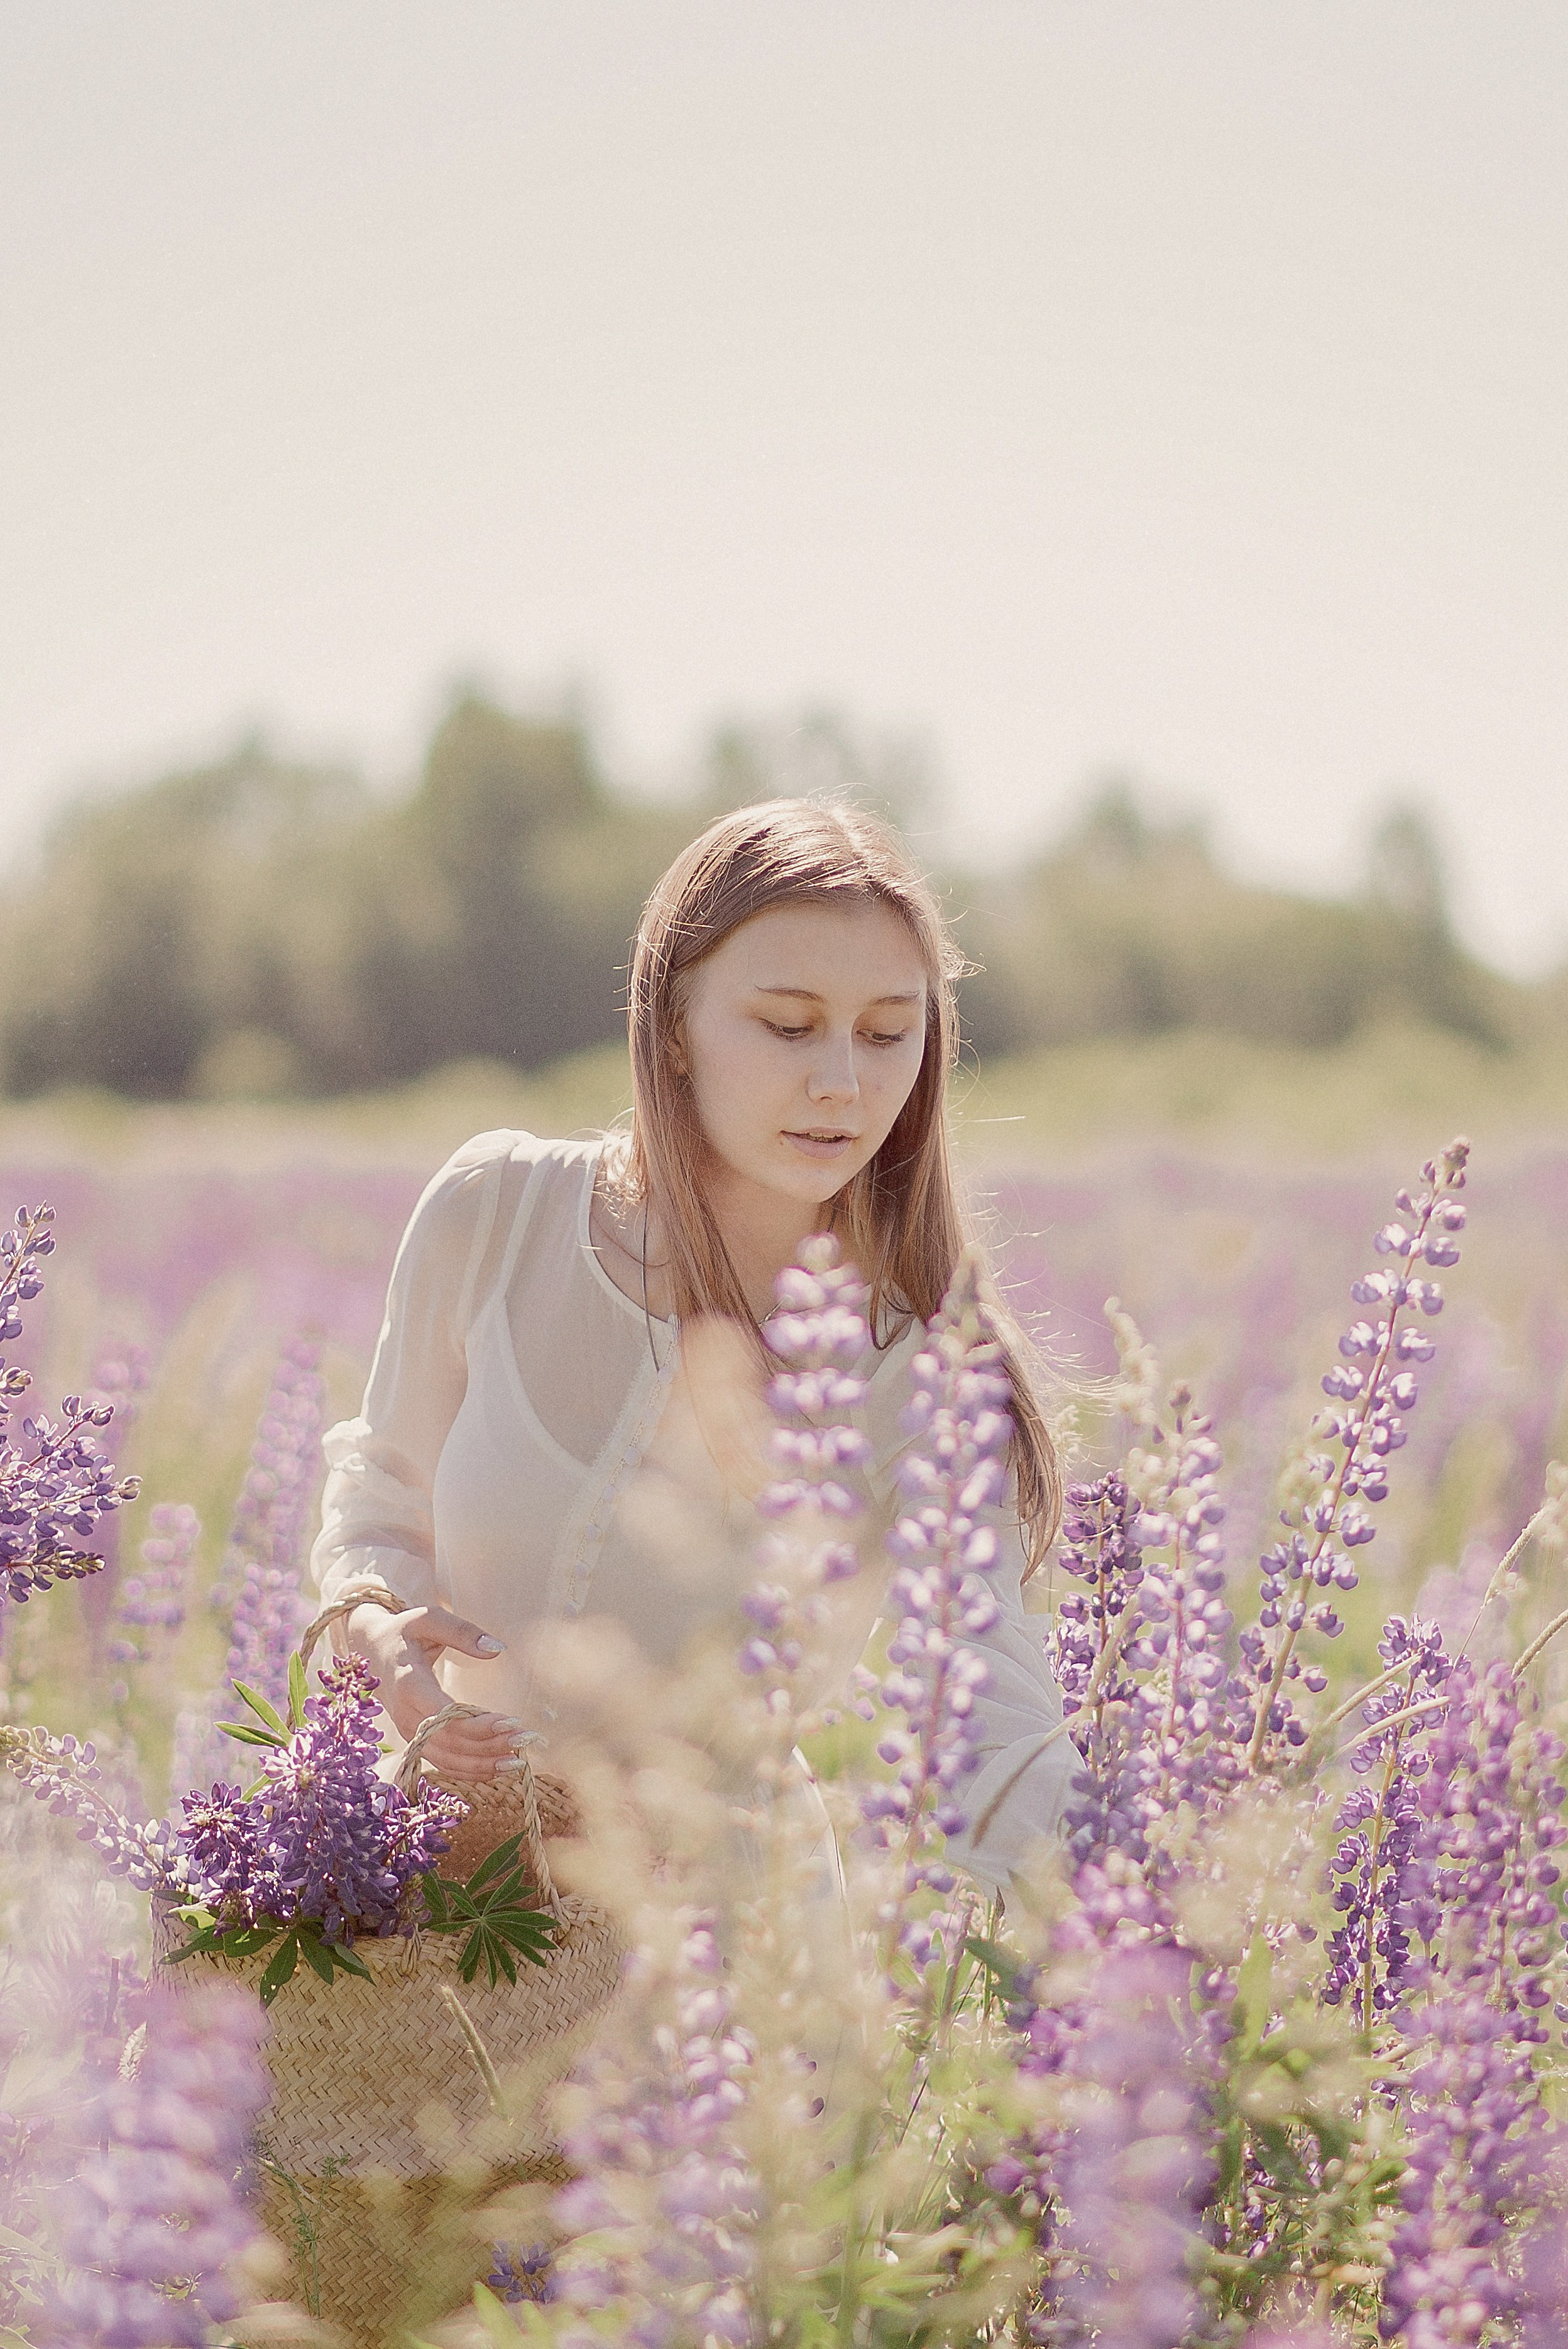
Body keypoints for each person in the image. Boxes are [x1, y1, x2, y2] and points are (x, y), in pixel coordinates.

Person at [310, 799, 1071, 1890]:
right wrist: (372, 1623)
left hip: (733, 1953)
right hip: (443, 1896)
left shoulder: (923, 1362)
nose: (843, 1084)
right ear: (672, 1021)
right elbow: (382, 1487)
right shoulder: (499, 1210)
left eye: (887, 1031)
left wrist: (1102, 1928)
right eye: (789, 1023)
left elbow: (994, 1692)